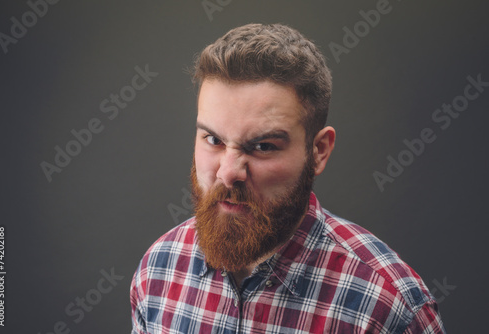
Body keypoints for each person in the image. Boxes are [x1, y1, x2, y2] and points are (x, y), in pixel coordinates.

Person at [130, 23, 445, 333]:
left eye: (263, 146)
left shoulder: (389, 308)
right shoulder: (158, 269)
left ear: (318, 151)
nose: (228, 173)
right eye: (213, 140)